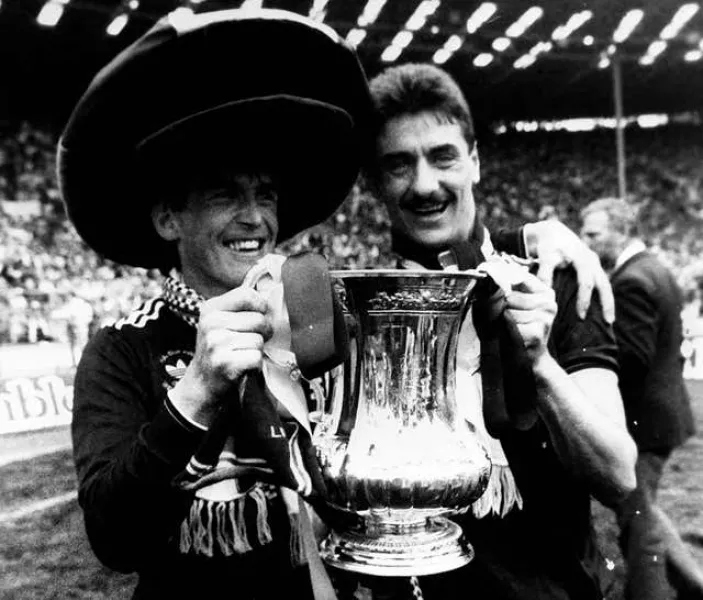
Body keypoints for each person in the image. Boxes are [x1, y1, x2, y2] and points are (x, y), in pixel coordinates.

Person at [60, 9, 375, 599]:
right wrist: (198, 390)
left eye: (265, 194)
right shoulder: (123, 349)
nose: (254, 217)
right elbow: (114, 540)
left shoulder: (321, 324)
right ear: (167, 218)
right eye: (223, 194)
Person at [336, 62, 638, 600]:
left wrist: (540, 365)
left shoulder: (554, 281)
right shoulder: (355, 307)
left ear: (475, 161)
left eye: (443, 157)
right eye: (399, 165)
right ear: (375, 182)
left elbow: (618, 474)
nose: (425, 184)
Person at [580, 197, 703, 600]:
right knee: (643, 509)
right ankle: (693, 584)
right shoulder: (653, 267)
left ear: (621, 230)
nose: (585, 241)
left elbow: (631, 357)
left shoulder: (631, 279)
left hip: (643, 422)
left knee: (637, 519)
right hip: (661, 415)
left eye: (593, 233)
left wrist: (581, 359)